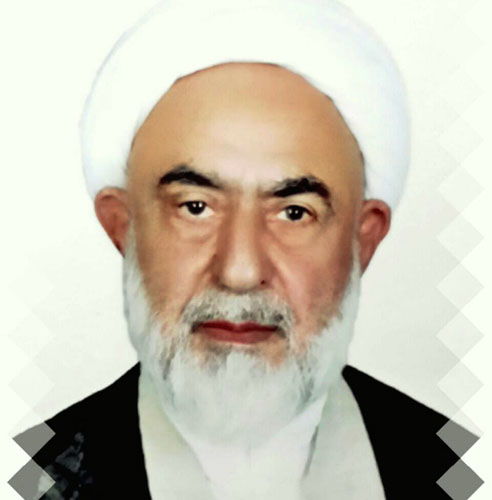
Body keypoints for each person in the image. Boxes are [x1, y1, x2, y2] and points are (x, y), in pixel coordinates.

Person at [11, 1, 476, 499]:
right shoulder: (29, 480)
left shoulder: (461, 473)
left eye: (293, 212)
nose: (240, 271)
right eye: (195, 208)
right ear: (123, 227)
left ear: (363, 240)